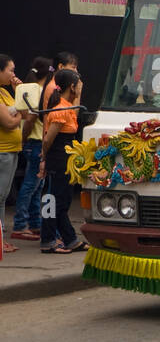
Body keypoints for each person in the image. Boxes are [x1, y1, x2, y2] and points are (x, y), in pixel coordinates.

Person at [38, 68, 87, 254]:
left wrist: (79, 92)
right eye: (78, 85)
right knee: (52, 202)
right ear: (71, 86)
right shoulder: (60, 110)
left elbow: (75, 108)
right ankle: (48, 240)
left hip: (64, 163)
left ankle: (70, 239)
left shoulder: (67, 106)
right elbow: (47, 140)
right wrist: (44, 160)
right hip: (57, 163)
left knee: (62, 202)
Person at [11, 57, 53, 240]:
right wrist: (24, 138)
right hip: (36, 142)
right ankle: (20, 225)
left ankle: (35, 223)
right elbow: (30, 119)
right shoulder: (38, 91)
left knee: (37, 185)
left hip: (32, 143)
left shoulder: (26, 88)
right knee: (31, 185)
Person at [0, 55, 23, 252]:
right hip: (3, 151)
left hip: (12, 151)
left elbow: (21, 112)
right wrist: (19, 115)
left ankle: (1, 238)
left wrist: (18, 93)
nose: (13, 74)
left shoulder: (5, 93)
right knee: (0, 196)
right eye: (10, 69)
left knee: (4, 196)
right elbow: (8, 123)